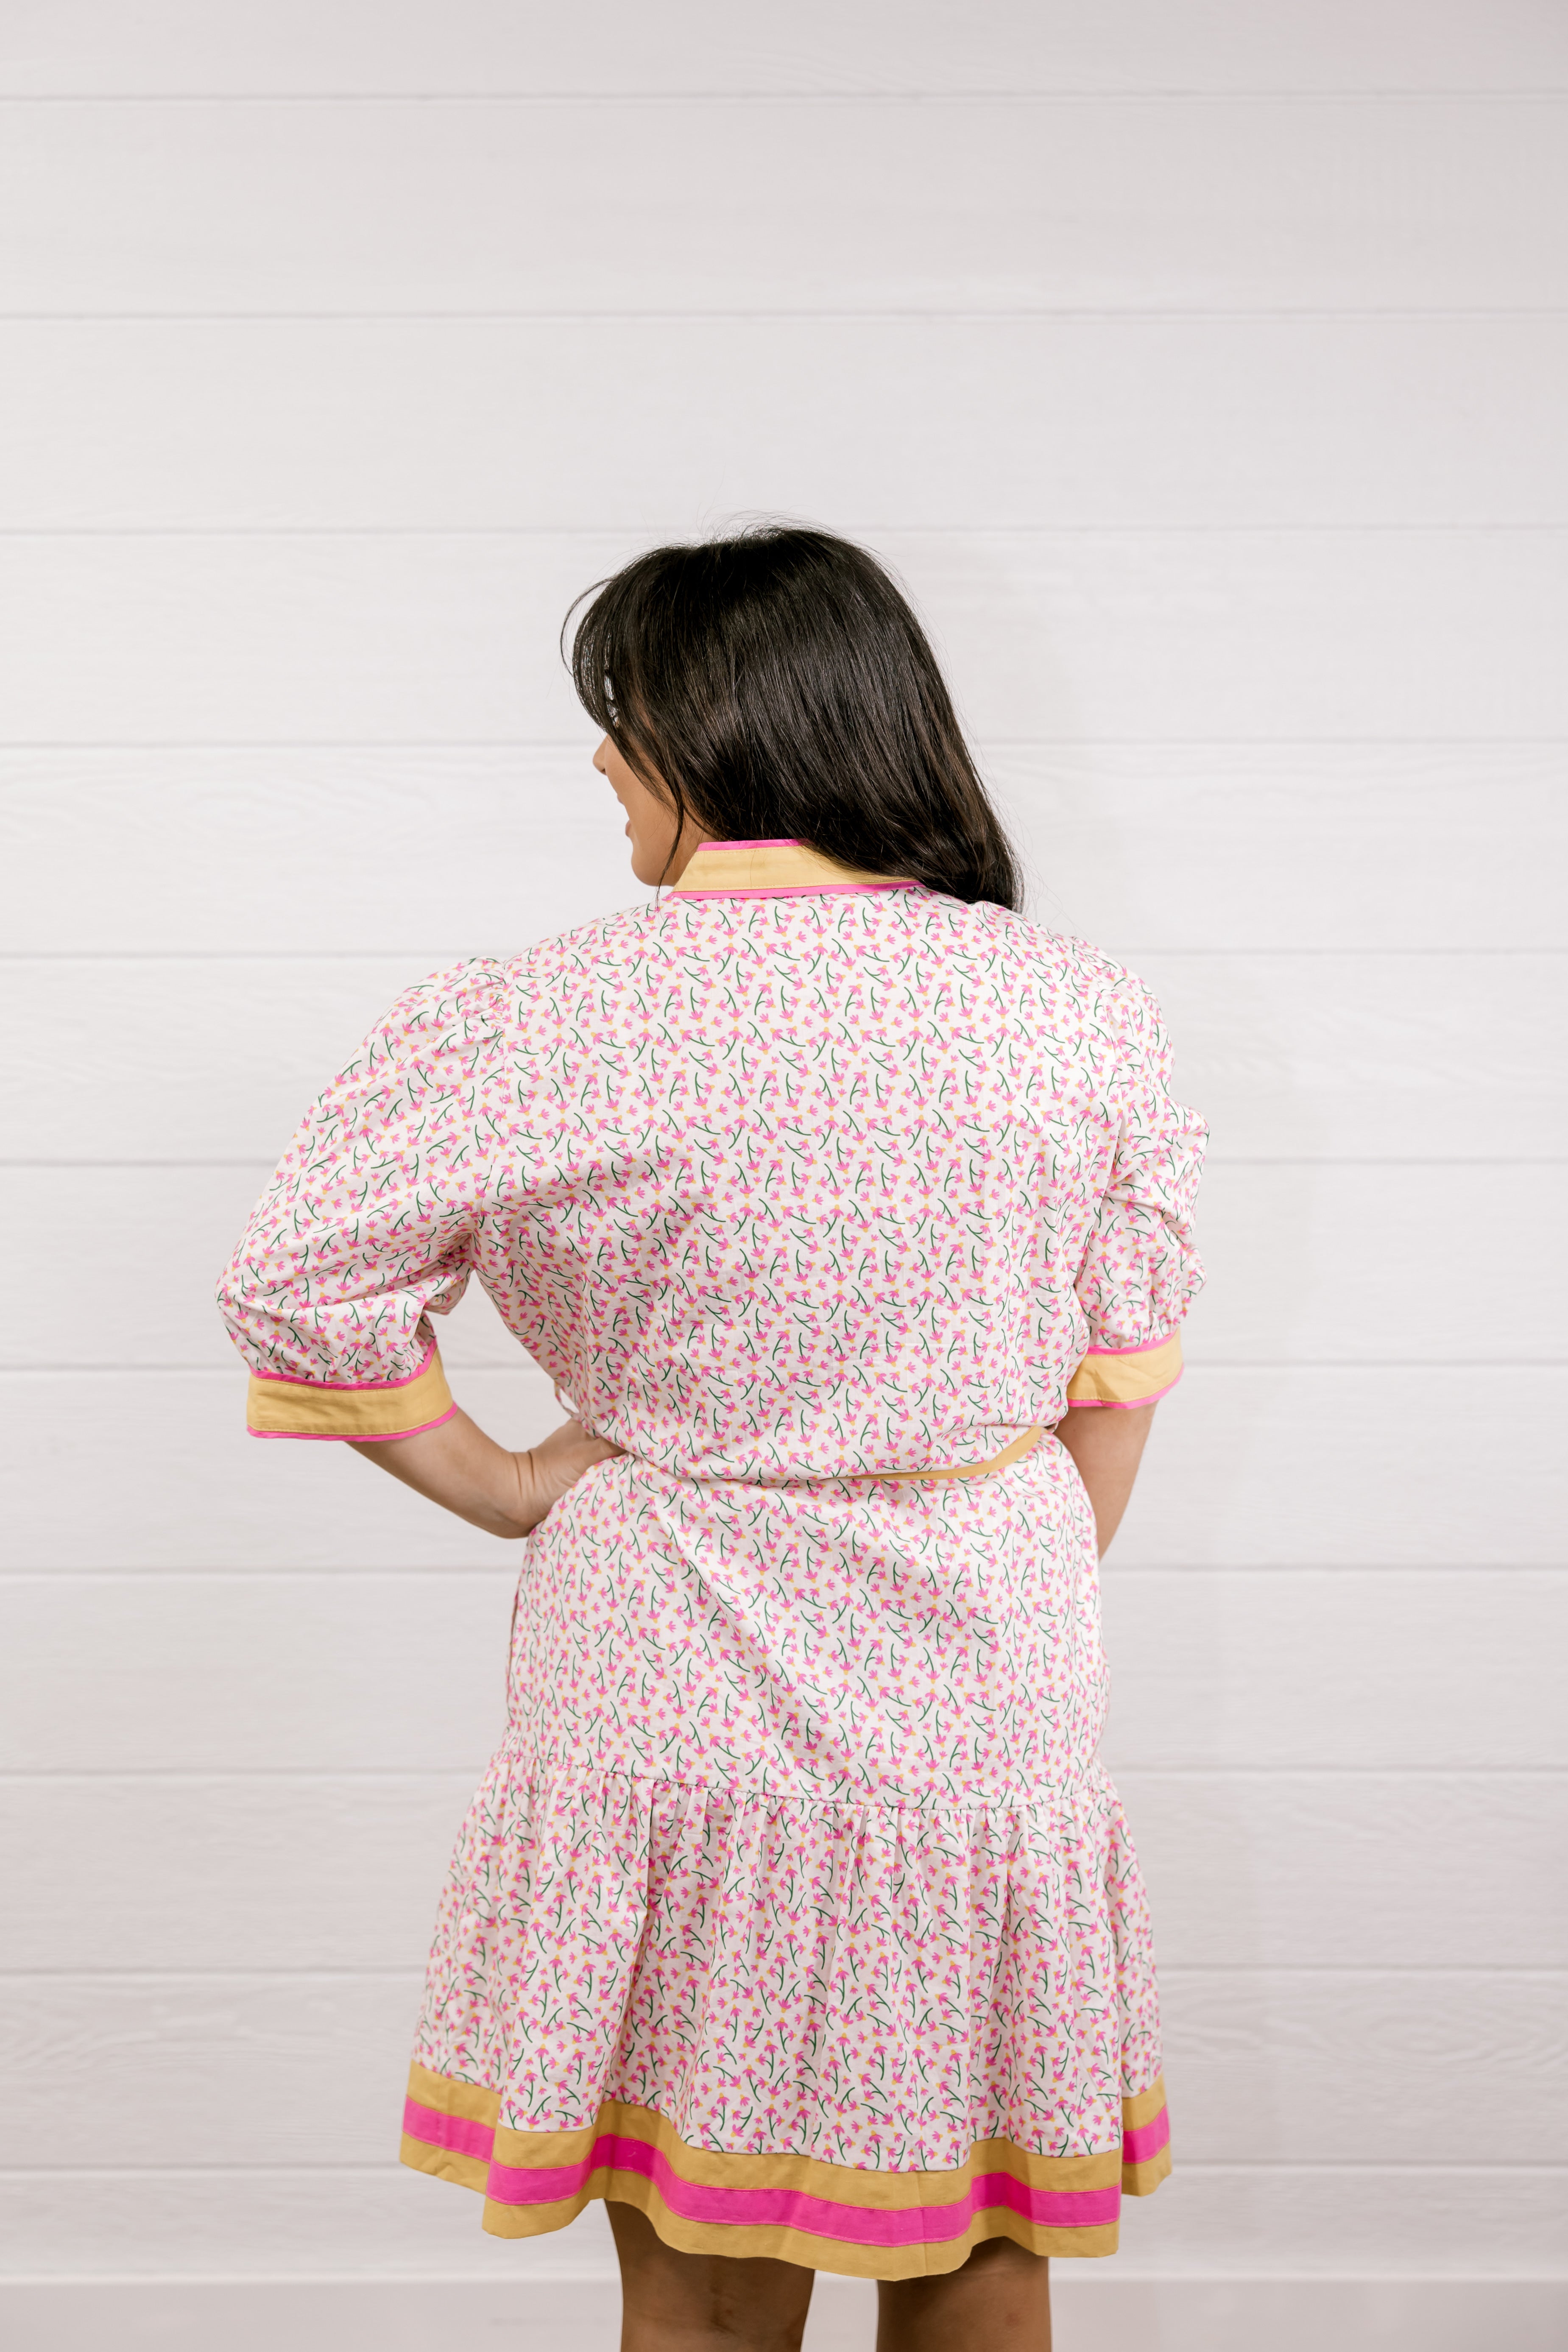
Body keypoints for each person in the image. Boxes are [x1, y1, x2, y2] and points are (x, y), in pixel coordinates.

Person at [218, 526, 1204, 2352]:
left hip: (662, 1653)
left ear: (706, 733)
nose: (600, 756)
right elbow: (1117, 1364)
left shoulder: (534, 1014)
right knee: (981, 2233)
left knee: (700, 2270)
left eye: (622, 715)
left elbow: (295, 1281)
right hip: (983, 1648)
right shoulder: (1070, 1003)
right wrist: (1000, 1559)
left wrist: (513, 1483)